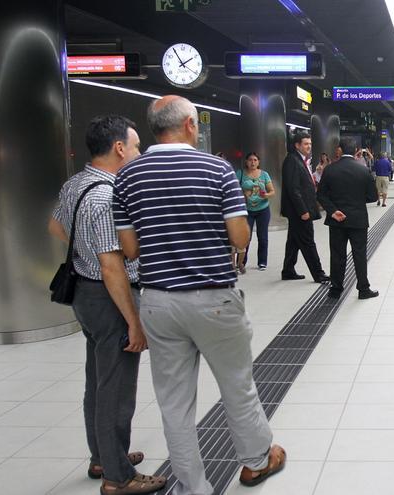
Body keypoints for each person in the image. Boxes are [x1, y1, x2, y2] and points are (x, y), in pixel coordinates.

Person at [112, 96, 284, 494]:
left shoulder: (128, 177)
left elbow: (131, 249)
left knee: (174, 403)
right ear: (191, 124)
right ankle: (256, 462)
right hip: (214, 300)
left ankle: (192, 487)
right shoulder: (217, 169)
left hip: (158, 301)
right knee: (237, 384)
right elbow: (240, 237)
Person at [49, 115, 165, 495]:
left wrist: (81, 251)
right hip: (109, 296)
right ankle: (118, 478)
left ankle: (103, 456)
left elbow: (55, 228)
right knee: (116, 389)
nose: (138, 152)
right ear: (119, 148)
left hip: (84, 294)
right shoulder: (106, 195)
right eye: (135, 147)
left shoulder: (75, 184)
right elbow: (112, 266)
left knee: (98, 381)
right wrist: (133, 321)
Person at [317, 136, 379, 300]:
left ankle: (336, 289)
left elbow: (321, 195)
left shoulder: (330, 169)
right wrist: (357, 201)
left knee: (337, 255)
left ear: (340, 149)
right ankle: (363, 289)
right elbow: (373, 197)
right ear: (356, 150)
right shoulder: (363, 170)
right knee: (359, 254)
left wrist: (333, 210)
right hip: (358, 219)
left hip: (336, 220)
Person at [281, 132, 329, 283]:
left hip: (301, 209)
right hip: (300, 211)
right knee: (308, 241)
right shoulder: (292, 160)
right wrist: (303, 211)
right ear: (297, 145)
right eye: (305, 144)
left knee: (294, 241)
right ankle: (318, 274)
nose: (309, 146)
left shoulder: (301, 160)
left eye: (310, 143)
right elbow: (293, 189)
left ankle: (288, 270)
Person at [237, 152, 275, 272]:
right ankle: (241, 262)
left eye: (255, 160)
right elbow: (234, 188)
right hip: (246, 210)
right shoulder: (241, 173)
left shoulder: (264, 175)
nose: (252, 162)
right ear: (246, 162)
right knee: (245, 237)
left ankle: (262, 262)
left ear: (258, 162)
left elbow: (272, 191)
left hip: (263, 210)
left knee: (262, 237)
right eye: (250, 160)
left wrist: (266, 195)